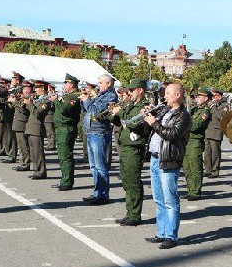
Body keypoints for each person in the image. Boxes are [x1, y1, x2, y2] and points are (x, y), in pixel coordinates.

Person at [144, 83, 192, 249]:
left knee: (170, 199)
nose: (165, 97)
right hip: (155, 158)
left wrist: (154, 124)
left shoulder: (184, 116)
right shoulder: (165, 111)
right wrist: (148, 115)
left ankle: (171, 236)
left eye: (169, 93)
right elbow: (153, 130)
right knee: (158, 199)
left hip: (169, 160)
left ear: (178, 95)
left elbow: (172, 134)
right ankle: (161, 232)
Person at [110, 79, 151, 226]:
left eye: (131, 90)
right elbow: (118, 121)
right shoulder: (129, 104)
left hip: (135, 148)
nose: (129, 93)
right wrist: (114, 114)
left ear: (140, 90)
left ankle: (134, 215)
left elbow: (134, 123)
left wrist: (120, 112)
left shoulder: (144, 107)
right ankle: (130, 212)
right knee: (126, 180)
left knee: (133, 182)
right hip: (125, 146)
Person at [81, 74, 118, 204]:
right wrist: (86, 99)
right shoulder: (101, 95)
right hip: (92, 132)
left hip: (99, 133)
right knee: (93, 166)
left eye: (101, 82)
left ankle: (103, 195)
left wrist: (86, 99)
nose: (99, 85)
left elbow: (94, 111)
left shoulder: (110, 96)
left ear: (108, 83)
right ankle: (97, 192)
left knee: (100, 166)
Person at [51, 74, 82, 191]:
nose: (64, 85)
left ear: (71, 84)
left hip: (66, 129)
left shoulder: (74, 97)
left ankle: (67, 182)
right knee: (62, 156)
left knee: (66, 156)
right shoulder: (67, 96)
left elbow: (65, 110)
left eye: (66, 83)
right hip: (61, 128)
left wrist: (57, 101)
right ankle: (64, 180)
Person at [183, 87, 211, 201]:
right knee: (187, 167)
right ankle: (190, 189)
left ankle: (196, 191)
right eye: (197, 96)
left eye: (199, 97)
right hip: (187, 140)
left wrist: (186, 123)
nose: (197, 98)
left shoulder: (205, 112)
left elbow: (195, 126)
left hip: (195, 141)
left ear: (206, 98)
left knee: (195, 168)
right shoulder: (194, 109)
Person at [24, 81, 49, 180]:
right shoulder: (37, 99)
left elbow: (38, 113)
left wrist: (30, 104)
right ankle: (36, 170)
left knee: (38, 152)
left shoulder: (46, 101)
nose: (35, 89)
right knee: (33, 152)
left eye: (37, 87)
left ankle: (41, 172)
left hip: (37, 128)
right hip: (31, 127)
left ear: (43, 88)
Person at [203, 88, 228, 178]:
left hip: (216, 131)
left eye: (214, 96)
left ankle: (215, 171)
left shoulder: (224, 105)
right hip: (208, 130)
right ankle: (207, 169)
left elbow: (220, 116)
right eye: (212, 96)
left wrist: (213, 107)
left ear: (219, 95)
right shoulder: (213, 104)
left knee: (215, 153)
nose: (213, 98)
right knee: (207, 153)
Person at [0, 77, 16, 162]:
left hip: (9, 116)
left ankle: (10, 153)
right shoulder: (3, 92)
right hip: (6, 115)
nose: (1, 85)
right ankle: (7, 152)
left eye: (2, 83)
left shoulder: (10, 91)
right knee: (5, 136)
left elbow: (0, 101)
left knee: (10, 137)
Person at [11, 83, 32, 172]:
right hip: (18, 124)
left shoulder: (28, 100)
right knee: (21, 146)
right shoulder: (22, 99)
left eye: (23, 92)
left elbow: (24, 110)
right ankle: (22, 162)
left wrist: (14, 101)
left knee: (24, 146)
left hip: (22, 124)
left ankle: (25, 164)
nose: (22, 93)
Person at [44, 83, 56, 151]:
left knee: (51, 132)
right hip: (47, 116)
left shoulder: (53, 96)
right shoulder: (48, 95)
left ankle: (52, 145)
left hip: (50, 116)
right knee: (48, 132)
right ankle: (50, 144)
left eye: (48, 88)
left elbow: (53, 106)